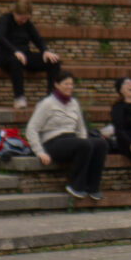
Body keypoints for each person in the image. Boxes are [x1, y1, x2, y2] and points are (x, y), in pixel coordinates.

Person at [26, 72, 109, 202]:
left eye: (71, 84)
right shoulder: (47, 103)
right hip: (53, 142)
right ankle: (75, 185)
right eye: (66, 84)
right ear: (57, 85)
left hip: (72, 140)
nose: (69, 87)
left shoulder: (74, 103)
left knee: (100, 144)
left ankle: (92, 187)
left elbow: (81, 128)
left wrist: (87, 143)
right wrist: (40, 152)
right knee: (84, 144)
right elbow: (32, 128)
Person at [0, 1, 62, 102]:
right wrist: (15, 51)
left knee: (53, 61)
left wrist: (45, 51)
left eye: (26, 18)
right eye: (22, 18)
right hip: (5, 55)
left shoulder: (27, 24)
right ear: (15, 13)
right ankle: (19, 97)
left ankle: (52, 96)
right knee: (16, 61)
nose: (24, 21)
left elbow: (37, 39)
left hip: (24, 55)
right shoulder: (4, 20)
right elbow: (0, 37)